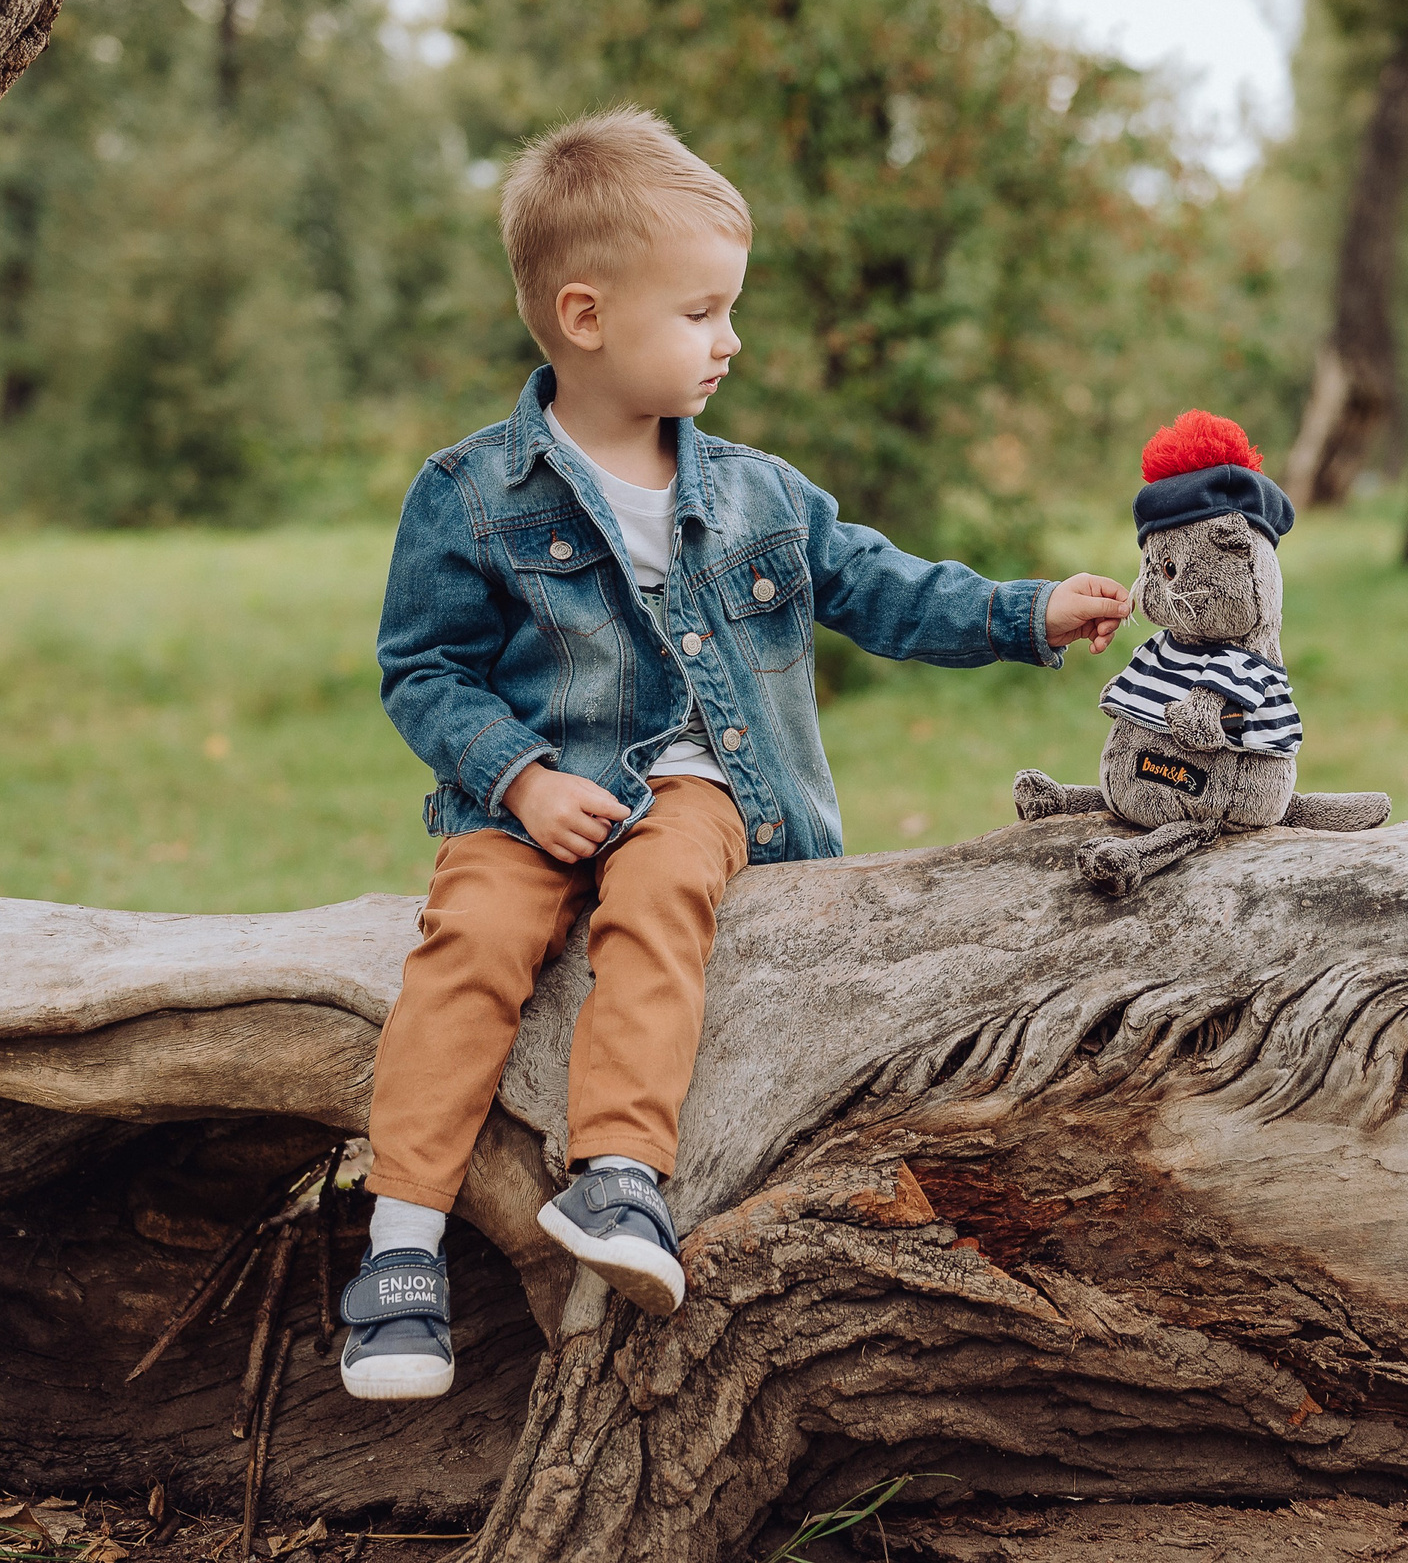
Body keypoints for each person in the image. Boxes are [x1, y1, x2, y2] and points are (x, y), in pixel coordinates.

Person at [336, 107, 1133, 1400]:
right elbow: (422, 669)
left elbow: (880, 586)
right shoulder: (471, 492)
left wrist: (1022, 611)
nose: (731, 339)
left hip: (701, 790)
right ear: (587, 317)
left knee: (660, 899)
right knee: (470, 939)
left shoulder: (759, 492)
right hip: (526, 793)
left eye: (731, 310)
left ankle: (620, 1176)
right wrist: (521, 778)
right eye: (702, 312)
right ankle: (401, 1247)